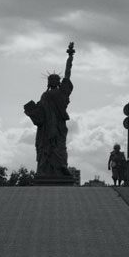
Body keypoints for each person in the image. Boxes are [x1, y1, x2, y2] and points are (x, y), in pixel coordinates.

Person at [24, 43, 75, 178]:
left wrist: (31, 111)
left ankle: (45, 170)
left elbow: (39, 116)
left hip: (47, 129)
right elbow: (68, 75)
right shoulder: (62, 92)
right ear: (58, 82)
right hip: (57, 127)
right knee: (59, 148)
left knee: (46, 148)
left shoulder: (45, 96)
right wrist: (70, 58)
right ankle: (61, 167)